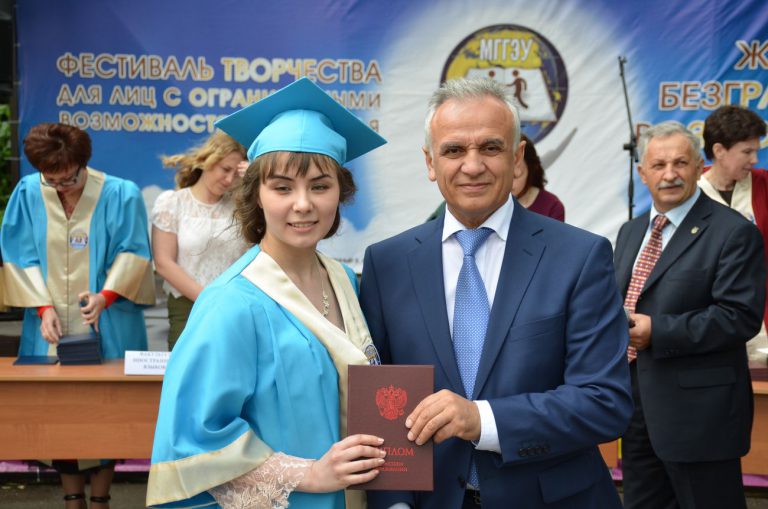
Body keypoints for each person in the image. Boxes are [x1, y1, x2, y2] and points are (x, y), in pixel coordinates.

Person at [360, 78, 632, 509]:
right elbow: (380, 404)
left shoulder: (580, 257)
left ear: (517, 158)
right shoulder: (387, 263)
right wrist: (394, 503)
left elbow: (605, 402)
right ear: (430, 162)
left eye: (490, 147)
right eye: (453, 150)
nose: (472, 166)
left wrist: (481, 419)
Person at [147, 77, 388, 509]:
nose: (303, 204)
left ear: (341, 193)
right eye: (282, 187)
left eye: (320, 186)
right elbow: (193, 438)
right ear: (256, 195)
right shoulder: (230, 303)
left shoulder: (343, 281)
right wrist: (308, 474)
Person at [0, 122, 156, 509]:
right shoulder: (28, 192)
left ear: (83, 164)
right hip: (48, 322)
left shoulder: (120, 194)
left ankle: (101, 498)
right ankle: (72, 497)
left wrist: (105, 296)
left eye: (68, 178)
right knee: (58, 408)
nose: (61, 187)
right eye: (50, 180)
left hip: (110, 318)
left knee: (108, 408)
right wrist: (42, 308)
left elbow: (134, 250)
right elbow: (18, 254)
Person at [614, 121, 765, 509]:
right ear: (642, 173)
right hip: (636, 411)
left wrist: (658, 331)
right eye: (659, 165)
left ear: (699, 167)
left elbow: (739, 317)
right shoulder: (630, 232)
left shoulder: (733, 232)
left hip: (701, 418)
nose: (670, 174)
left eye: (680, 163)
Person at [151, 131, 250, 350]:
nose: (229, 180)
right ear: (208, 160)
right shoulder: (172, 203)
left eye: (236, 174)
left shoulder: (242, 209)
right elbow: (163, 263)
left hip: (234, 306)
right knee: (186, 366)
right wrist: (209, 298)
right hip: (186, 306)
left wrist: (256, 181)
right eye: (225, 169)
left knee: (232, 366)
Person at [698, 105, 768, 364]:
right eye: (747, 152)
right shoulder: (690, 191)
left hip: (761, 317)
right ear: (719, 150)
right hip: (706, 318)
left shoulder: (764, 184)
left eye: (756, 151)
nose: (755, 160)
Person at [426, 134, 564, 222]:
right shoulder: (468, 201)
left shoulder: (551, 205)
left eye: (516, 175)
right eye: (454, 151)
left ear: (532, 169)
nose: (509, 183)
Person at [511, 134, 565, 221]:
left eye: (515, 176)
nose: (507, 184)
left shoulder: (552, 207)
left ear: (532, 168)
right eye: (503, 176)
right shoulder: (491, 204)